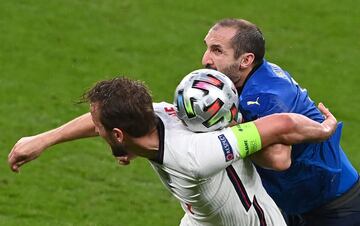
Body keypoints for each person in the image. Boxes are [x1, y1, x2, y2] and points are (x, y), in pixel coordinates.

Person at [8, 77, 337, 226]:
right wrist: (43, 140)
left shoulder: (194, 156)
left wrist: (321, 130)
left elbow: (279, 124)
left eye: (99, 128)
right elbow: (102, 119)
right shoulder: (162, 114)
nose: (94, 129)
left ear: (119, 134)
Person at [201, 18, 360, 225]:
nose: (206, 59)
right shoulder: (248, 78)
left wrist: (228, 131)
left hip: (334, 205)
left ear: (246, 60)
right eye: (207, 48)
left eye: (217, 51)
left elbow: (278, 159)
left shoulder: (266, 96)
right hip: (293, 200)